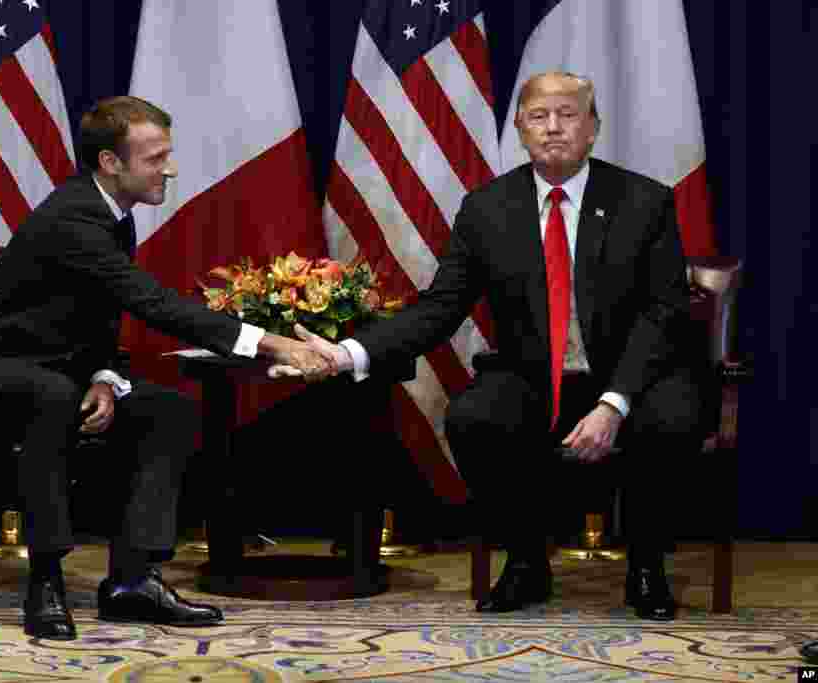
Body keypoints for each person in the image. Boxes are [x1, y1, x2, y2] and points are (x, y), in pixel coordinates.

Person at [289, 72, 707, 621]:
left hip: (634, 373)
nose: (553, 128)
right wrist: (349, 353)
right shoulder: (488, 207)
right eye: (539, 116)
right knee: (474, 417)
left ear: (593, 128)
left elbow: (664, 313)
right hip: (536, 375)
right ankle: (528, 561)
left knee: (673, 417)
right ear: (520, 129)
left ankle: (647, 566)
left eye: (568, 114)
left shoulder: (643, 201)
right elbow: (439, 308)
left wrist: (614, 402)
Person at [0, 96, 336, 640]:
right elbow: (150, 302)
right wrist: (274, 346)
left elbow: (91, 314)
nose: (169, 168)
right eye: (155, 158)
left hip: (59, 376)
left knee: (166, 411)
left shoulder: (110, 215)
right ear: (109, 163)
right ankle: (45, 582)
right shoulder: (73, 217)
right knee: (50, 394)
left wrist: (103, 376)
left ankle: (132, 580)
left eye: (167, 154)